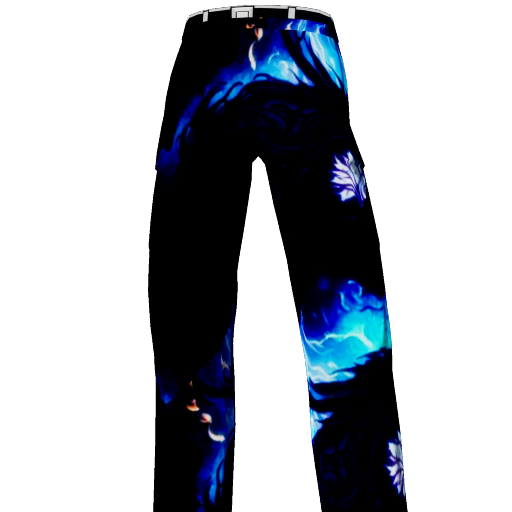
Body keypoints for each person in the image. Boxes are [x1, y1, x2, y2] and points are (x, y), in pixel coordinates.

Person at [154, 6, 404, 511]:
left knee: (348, 308)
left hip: (302, 45)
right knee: (183, 329)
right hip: (207, 56)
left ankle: (364, 499)